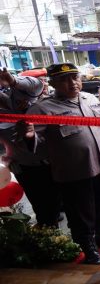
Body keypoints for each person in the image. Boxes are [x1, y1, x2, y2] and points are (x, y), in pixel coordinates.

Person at [18, 63, 100, 265]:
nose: (72, 83)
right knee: (80, 212)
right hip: (74, 172)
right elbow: (34, 143)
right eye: (64, 79)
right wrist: (29, 136)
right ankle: (87, 245)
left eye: (75, 77)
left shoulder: (91, 99)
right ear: (52, 83)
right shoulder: (42, 108)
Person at [0, 68, 61, 228]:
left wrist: (12, 81)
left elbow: (35, 85)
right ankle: (48, 229)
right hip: (24, 166)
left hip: (51, 161)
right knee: (40, 204)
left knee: (59, 201)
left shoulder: (25, 91)